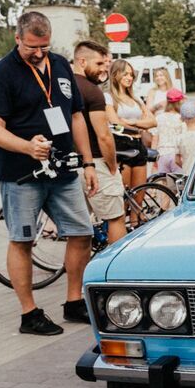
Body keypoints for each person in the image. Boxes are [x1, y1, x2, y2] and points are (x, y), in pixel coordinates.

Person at [0, 11, 98, 336]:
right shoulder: (2, 74)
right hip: (21, 174)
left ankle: (74, 301)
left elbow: (76, 115)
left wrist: (88, 162)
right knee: (22, 240)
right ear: (17, 38)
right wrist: (26, 147)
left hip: (63, 170)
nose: (38, 53)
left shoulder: (60, 65)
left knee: (81, 232)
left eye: (44, 47)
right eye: (31, 47)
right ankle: (29, 313)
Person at [72, 41, 126, 246]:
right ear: (82, 61)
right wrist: (112, 165)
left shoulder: (62, 86)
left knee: (78, 228)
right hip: (95, 162)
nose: (105, 68)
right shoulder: (92, 91)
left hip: (71, 163)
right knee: (115, 218)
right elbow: (103, 135)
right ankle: (115, 271)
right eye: (100, 63)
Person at [107, 59, 156, 192]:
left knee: (139, 195)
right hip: (121, 145)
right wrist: (141, 125)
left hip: (139, 144)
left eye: (131, 75)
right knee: (125, 196)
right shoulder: (109, 97)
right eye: (126, 74)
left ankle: (137, 214)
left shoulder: (136, 98)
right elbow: (116, 123)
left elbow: (153, 122)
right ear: (116, 74)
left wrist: (133, 122)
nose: (129, 78)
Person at [154, 88, 185, 174]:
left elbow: (155, 138)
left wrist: (153, 156)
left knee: (164, 184)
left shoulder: (159, 117)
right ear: (179, 103)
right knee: (178, 184)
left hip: (162, 154)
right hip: (176, 154)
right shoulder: (181, 119)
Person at [178, 101, 195, 175]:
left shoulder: (180, 138)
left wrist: (185, 166)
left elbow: (176, 160)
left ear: (182, 119)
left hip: (188, 175)